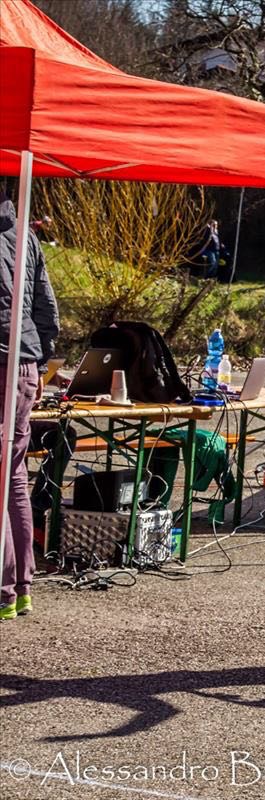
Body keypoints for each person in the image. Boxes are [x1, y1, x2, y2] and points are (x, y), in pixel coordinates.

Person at [1, 190, 60, 621]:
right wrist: (39, 364)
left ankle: (4, 591)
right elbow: (47, 309)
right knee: (13, 475)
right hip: (23, 364)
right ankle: (21, 587)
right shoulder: (24, 232)